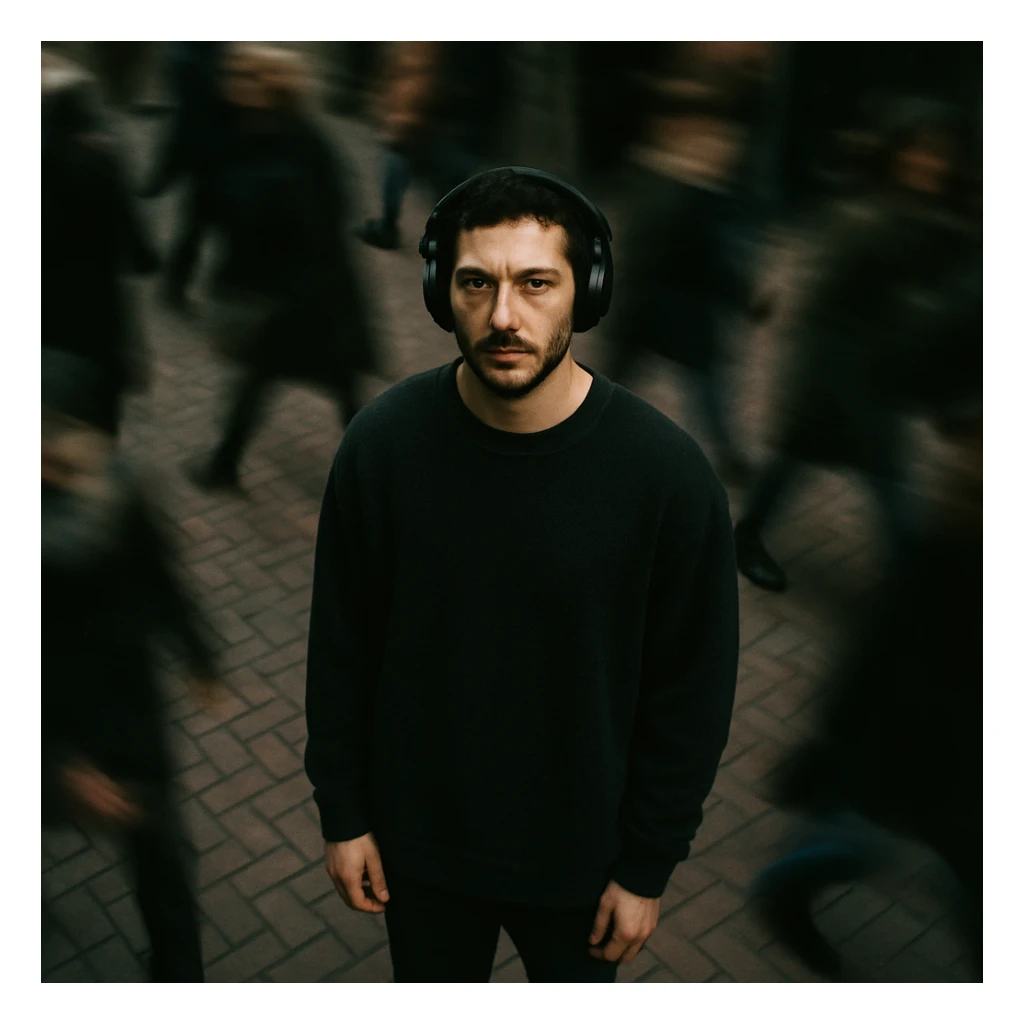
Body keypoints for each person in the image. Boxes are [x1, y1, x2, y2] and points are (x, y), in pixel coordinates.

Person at [304, 167, 740, 982]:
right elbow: (341, 646)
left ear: (588, 291)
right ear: (442, 291)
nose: (504, 315)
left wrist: (647, 865)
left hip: (582, 866)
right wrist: (345, 812)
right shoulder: (382, 448)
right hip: (419, 853)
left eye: (537, 283)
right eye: (476, 283)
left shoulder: (668, 480)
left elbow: (692, 688)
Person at [749, 392, 982, 981]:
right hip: (917, 753)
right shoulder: (943, 552)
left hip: (948, 762)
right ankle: (784, 892)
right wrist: (831, 746)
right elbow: (875, 657)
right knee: (861, 843)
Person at [734, 96, 981, 591]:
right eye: (919, 151)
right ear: (894, 153)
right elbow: (819, 304)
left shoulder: (936, 218)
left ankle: (747, 536)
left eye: (938, 153)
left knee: (806, 463)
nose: (930, 163)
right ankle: (915, 581)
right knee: (871, 472)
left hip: (880, 372)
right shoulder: (863, 217)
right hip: (842, 375)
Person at [42, 348, 221, 982]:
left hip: (127, 709)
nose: (56, 459)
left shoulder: (119, 489)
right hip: (48, 728)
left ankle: (178, 978)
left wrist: (199, 652)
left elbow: (159, 578)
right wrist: (60, 766)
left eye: (67, 439)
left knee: (161, 851)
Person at [184, 44, 380, 492]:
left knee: (302, 381)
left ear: (272, 86)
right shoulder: (252, 130)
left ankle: (224, 464)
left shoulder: (302, 142)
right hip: (293, 295)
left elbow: (317, 218)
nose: (233, 82)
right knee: (314, 382)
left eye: (246, 75)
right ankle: (225, 464)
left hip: (306, 295)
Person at [603, 43, 773, 485]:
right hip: (678, 311)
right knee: (703, 386)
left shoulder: (652, 173)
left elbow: (634, 241)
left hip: (646, 305)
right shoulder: (693, 192)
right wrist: (747, 297)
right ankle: (729, 454)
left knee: (638, 378)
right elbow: (711, 258)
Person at [42, 52, 159, 436]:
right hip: (97, 316)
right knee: (98, 422)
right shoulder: (101, 153)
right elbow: (134, 240)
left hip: (50, 318)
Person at [356, 42, 509, 251]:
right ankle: (410, 231)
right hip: (451, 121)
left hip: (445, 121)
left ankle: (445, 239)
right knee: (414, 170)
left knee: (431, 178)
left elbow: (421, 70)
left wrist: (406, 113)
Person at [138, 42, 230, 313]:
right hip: (210, 148)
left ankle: (179, 284)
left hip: (204, 145)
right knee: (199, 221)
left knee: (198, 222)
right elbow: (193, 114)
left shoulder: (186, 52)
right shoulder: (194, 57)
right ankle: (178, 285)